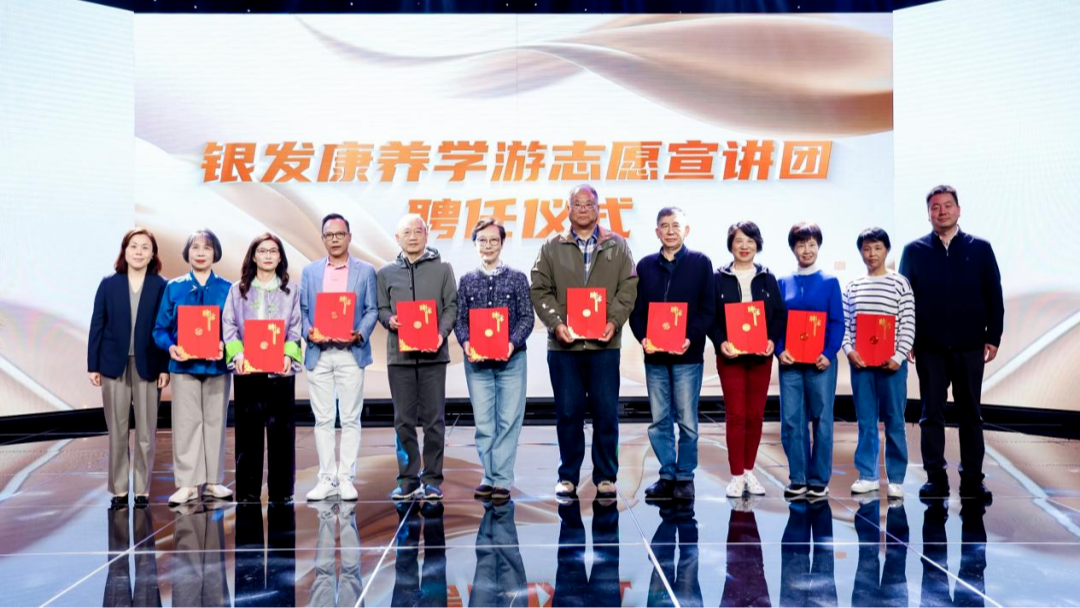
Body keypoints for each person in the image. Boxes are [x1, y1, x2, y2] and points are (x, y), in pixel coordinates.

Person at [530, 183, 638, 500]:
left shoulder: (617, 245)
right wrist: (556, 324)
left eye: (588, 204)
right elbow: (539, 289)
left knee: (606, 412)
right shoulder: (552, 246)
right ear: (568, 209)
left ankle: (605, 476)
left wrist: (613, 321)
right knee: (568, 413)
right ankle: (567, 476)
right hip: (564, 347)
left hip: (605, 346)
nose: (582, 209)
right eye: (576, 204)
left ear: (598, 209)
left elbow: (628, 288)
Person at [899, 185, 1003, 500]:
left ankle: (973, 479)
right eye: (935, 207)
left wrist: (993, 336)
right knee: (931, 414)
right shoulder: (913, 250)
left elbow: (993, 295)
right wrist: (907, 338)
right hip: (929, 347)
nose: (941, 211)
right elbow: (905, 300)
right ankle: (935, 478)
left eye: (947, 205)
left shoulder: (980, 248)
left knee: (971, 414)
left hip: (970, 346)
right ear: (928, 213)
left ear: (959, 210)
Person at [629, 206, 715, 501]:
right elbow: (637, 311)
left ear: (686, 230)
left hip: (687, 356)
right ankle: (667, 475)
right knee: (659, 420)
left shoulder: (701, 263)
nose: (670, 231)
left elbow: (707, 310)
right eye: (664, 226)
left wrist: (690, 338)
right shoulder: (645, 266)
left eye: (675, 225)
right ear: (657, 231)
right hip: (655, 357)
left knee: (687, 420)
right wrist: (643, 338)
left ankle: (685, 477)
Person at [299, 213, 379, 502]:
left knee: (350, 418)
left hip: (350, 353)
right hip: (319, 353)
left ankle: (345, 478)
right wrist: (309, 332)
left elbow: (372, 309)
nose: (334, 239)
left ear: (349, 237)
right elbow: (303, 311)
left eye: (339, 234)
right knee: (323, 419)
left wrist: (360, 333)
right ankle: (326, 478)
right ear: (323, 238)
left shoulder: (365, 271)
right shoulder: (310, 271)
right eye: (329, 235)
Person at [88, 228, 170, 509]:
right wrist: (93, 365)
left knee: (146, 432)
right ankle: (119, 488)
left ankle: (142, 489)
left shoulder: (161, 286)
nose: (138, 252)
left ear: (152, 253)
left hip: (149, 364)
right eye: (133, 246)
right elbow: (97, 324)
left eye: (145, 247)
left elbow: (166, 328)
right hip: (113, 365)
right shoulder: (109, 284)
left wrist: (165, 367)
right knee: (118, 430)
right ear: (124, 250)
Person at [378, 214, 458, 501]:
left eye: (418, 231)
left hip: (433, 355)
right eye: (407, 232)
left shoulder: (443, 269)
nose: (413, 237)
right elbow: (381, 308)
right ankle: (408, 479)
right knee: (403, 420)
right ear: (397, 238)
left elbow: (451, 306)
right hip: (399, 357)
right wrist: (390, 320)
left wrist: (440, 333)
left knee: (434, 420)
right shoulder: (385, 272)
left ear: (427, 234)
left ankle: (433, 479)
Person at [453, 218, 534, 501]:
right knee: (484, 423)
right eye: (482, 241)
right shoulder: (466, 281)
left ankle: (502, 479)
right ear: (475, 244)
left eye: (493, 240)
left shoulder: (517, 278)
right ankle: (488, 476)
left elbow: (527, 317)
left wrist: (511, 344)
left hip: (512, 360)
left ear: (502, 243)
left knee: (509, 420)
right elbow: (460, 321)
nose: (488, 245)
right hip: (477, 363)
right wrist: (466, 343)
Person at [153, 229, 232, 506]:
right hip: (183, 366)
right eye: (195, 247)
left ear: (215, 253)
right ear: (187, 253)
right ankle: (187, 484)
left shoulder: (227, 288)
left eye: (206, 248)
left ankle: (213, 481)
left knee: (215, 422)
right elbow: (160, 329)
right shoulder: (173, 287)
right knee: (186, 424)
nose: (200, 252)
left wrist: (224, 344)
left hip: (216, 366)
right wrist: (171, 347)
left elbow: (234, 327)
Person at [222, 233, 303, 504]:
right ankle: (247, 490)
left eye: (273, 251)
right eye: (262, 251)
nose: (268, 256)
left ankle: (282, 490)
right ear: (253, 256)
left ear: (280, 258)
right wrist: (238, 355)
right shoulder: (238, 290)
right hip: (248, 370)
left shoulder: (291, 290)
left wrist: (289, 355)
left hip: (280, 370)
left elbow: (295, 325)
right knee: (248, 433)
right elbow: (229, 325)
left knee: (282, 432)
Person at [708, 221, 785, 499]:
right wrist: (721, 342)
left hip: (760, 357)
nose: (744, 246)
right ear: (731, 244)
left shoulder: (767, 277)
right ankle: (736, 475)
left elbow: (779, 315)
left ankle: (750, 471)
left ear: (757, 244)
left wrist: (771, 340)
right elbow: (710, 316)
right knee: (736, 416)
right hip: (731, 357)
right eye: (739, 241)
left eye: (750, 241)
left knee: (754, 416)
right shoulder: (718, 278)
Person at [844, 228, 915, 499]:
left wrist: (898, 356)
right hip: (861, 366)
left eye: (877, 248)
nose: (871, 254)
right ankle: (867, 476)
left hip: (892, 366)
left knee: (895, 420)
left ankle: (896, 479)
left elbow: (908, 323)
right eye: (866, 249)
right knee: (866, 421)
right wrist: (850, 351)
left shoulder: (900, 284)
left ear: (887, 250)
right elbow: (846, 325)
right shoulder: (853, 286)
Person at [776, 222, 843, 500]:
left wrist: (829, 353)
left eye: (812, 244)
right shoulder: (783, 282)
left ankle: (818, 479)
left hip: (820, 362)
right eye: (801, 244)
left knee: (821, 419)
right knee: (792, 420)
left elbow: (837, 322)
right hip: (790, 362)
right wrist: (779, 349)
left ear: (819, 246)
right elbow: (777, 322)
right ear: (793, 248)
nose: (807, 249)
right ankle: (798, 478)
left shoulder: (830, 282)